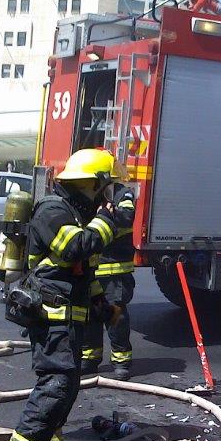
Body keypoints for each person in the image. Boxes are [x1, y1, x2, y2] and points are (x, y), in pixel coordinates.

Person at [8, 148, 117, 441]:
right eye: (106, 185)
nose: (108, 193)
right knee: (57, 380)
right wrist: (108, 220)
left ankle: (47, 436)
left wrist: (102, 304)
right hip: (50, 313)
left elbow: (84, 269)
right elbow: (74, 248)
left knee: (68, 381)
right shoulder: (52, 210)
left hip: (68, 314)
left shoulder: (74, 213)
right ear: (92, 183)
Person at [82, 162, 136, 380]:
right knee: (90, 315)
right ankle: (90, 358)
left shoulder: (123, 194)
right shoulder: (90, 195)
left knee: (116, 316)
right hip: (92, 266)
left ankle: (121, 361)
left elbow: (126, 218)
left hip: (115, 268)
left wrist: (102, 216)